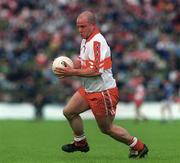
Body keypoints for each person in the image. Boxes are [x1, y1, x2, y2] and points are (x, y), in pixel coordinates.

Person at [54, 11, 149, 158]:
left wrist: (71, 72)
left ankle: (138, 146)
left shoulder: (97, 42)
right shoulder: (85, 40)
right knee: (69, 111)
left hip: (103, 92)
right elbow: (82, 61)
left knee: (107, 129)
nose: (80, 30)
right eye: (78, 27)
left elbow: (96, 71)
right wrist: (70, 66)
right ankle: (80, 142)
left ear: (92, 25)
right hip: (89, 89)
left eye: (83, 26)